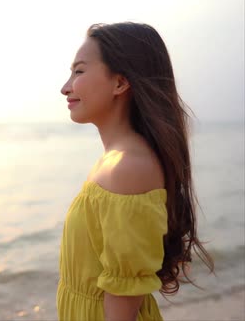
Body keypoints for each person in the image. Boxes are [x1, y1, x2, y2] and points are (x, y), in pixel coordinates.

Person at [57, 22, 214, 321]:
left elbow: (122, 304)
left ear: (119, 83)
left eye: (79, 71)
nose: (65, 87)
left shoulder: (128, 168)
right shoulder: (115, 160)